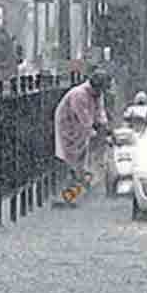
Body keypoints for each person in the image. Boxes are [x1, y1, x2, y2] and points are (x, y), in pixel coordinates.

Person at [53, 69, 111, 206]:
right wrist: (94, 132)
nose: (102, 92)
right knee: (72, 159)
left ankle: (74, 192)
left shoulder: (97, 94)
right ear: (96, 86)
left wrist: (105, 127)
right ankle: (68, 194)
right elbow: (84, 118)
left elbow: (99, 112)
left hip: (81, 129)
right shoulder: (79, 95)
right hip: (68, 126)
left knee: (81, 160)